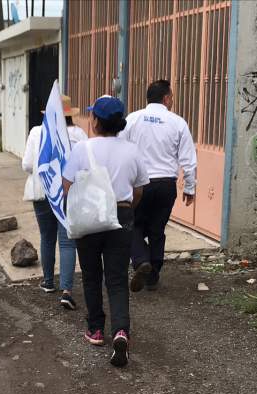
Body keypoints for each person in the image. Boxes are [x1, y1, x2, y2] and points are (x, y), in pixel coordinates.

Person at [62, 96, 149, 367]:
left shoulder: (81, 149)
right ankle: (121, 331)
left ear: (96, 121)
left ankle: (96, 329)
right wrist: (125, 210)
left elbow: (67, 187)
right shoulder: (132, 151)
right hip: (121, 216)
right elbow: (138, 191)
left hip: (89, 215)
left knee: (91, 276)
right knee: (117, 279)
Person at [120, 80, 197, 292]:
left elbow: (120, 148)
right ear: (166, 98)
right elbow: (188, 160)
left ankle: (140, 260)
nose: (172, 101)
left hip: (139, 185)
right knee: (157, 229)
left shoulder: (133, 119)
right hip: (166, 185)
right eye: (171, 97)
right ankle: (153, 274)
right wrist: (189, 188)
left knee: (132, 224)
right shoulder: (178, 123)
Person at [22, 95, 88, 310]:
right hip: (68, 192)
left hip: (42, 191)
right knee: (67, 242)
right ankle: (67, 291)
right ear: (69, 114)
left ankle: (48, 282)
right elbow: (86, 166)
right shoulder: (79, 134)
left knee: (47, 237)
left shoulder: (36, 132)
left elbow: (27, 165)